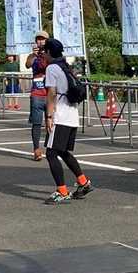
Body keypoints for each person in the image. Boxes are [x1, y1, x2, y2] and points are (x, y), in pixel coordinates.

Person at [43, 37, 91, 204]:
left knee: (51, 153)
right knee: (63, 151)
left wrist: (49, 116)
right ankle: (83, 182)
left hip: (60, 115)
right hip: (72, 115)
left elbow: (51, 93)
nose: (43, 54)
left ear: (49, 52)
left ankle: (62, 191)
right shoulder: (65, 66)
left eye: (44, 51)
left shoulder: (51, 68)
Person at [28, 33, 50, 161]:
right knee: (36, 123)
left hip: (50, 94)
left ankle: (49, 148)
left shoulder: (51, 54)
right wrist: (34, 55)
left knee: (50, 122)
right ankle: (36, 149)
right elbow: (28, 64)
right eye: (38, 39)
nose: (40, 42)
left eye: (43, 39)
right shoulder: (33, 55)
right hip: (37, 93)